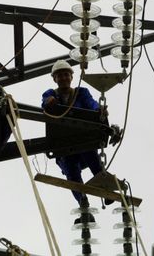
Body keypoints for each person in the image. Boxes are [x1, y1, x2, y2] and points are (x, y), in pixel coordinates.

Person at [41, 59, 107, 205]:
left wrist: (98, 109)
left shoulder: (81, 93)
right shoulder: (50, 93)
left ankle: (105, 189)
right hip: (65, 146)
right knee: (72, 173)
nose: (63, 78)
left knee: (93, 160)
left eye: (66, 75)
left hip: (82, 140)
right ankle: (82, 200)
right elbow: (45, 102)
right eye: (60, 76)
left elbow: (91, 103)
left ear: (71, 77)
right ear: (55, 79)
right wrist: (49, 102)